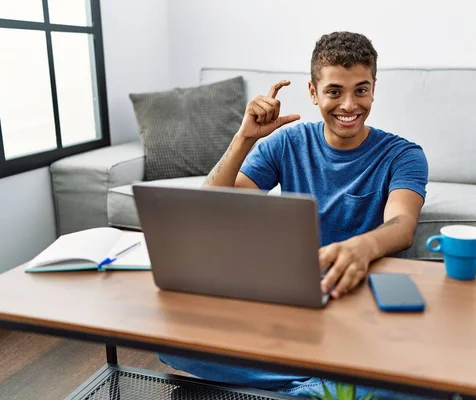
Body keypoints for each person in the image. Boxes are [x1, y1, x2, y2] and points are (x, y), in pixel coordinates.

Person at [160, 31, 429, 399]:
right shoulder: (287, 142)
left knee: (427, 387)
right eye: (335, 91)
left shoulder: (403, 155)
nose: (349, 105)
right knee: (170, 343)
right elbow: (212, 210)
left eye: (361, 90)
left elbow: (402, 225)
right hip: (292, 300)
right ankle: (318, 385)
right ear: (314, 93)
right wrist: (243, 138)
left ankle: (298, 381)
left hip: (358, 300)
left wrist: (359, 249)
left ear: (373, 89)